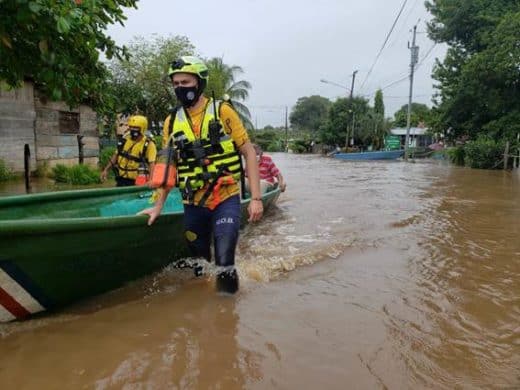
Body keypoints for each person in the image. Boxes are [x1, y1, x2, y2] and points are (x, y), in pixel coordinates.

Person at [139, 56, 263, 294]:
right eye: (175, 84)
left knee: (225, 263)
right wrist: (157, 207)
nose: (180, 88)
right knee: (200, 266)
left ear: (199, 82)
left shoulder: (223, 111)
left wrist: (256, 198)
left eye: (185, 82)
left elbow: (247, 151)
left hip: (225, 197)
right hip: (193, 202)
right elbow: (167, 169)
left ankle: (226, 321)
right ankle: (203, 317)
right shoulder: (171, 121)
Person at [101, 115, 157, 187]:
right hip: (121, 179)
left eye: (136, 128)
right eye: (131, 127)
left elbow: (152, 164)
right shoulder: (125, 140)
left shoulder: (149, 144)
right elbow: (116, 155)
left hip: (137, 182)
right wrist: (106, 170)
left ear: (142, 128)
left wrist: (151, 180)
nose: (132, 129)